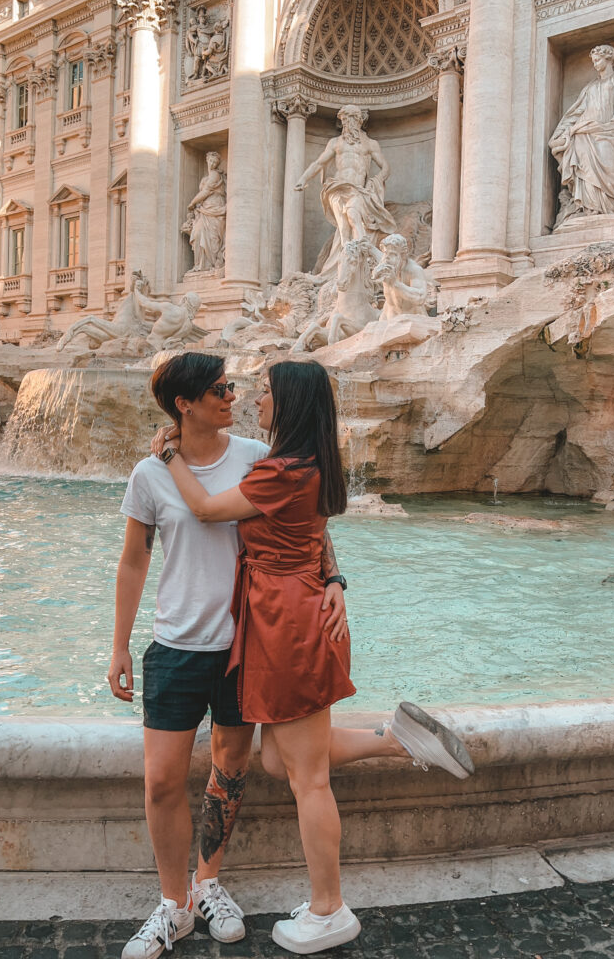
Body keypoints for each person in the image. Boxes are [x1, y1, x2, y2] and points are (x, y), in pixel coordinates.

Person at [158, 359, 475, 954]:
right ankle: (395, 736)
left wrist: (169, 455)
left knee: (308, 778)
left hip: (288, 626)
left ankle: (329, 909)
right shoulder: (314, 465)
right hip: (295, 614)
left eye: (267, 393)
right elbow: (314, 538)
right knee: (279, 760)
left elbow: (204, 508)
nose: (255, 401)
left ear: (293, 405)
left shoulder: (281, 470)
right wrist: (334, 579)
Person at [108, 352, 349, 959]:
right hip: (176, 643)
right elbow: (134, 560)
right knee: (162, 779)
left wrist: (337, 581)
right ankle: (173, 905)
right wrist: (118, 644)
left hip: (246, 643)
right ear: (183, 404)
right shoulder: (148, 474)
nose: (234, 395)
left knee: (231, 771)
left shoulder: (254, 456)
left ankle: (207, 883)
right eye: (220, 388)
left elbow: (311, 525)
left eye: (236, 386)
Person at [295, 105, 396, 279]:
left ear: (359, 121)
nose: (348, 124)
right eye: (345, 120)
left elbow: (385, 166)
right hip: (336, 187)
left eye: (352, 119)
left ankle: (365, 259)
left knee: (353, 215)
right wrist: (303, 179)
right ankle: (344, 265)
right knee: (343, 228)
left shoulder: (370, 144)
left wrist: (377, 180)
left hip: (357, 189)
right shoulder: (335, 143)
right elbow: (319, 163)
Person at [549, 43, 614, 228]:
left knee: (611, 168)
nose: (595, 64)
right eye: (593, 61)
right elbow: (575, 114)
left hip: (609, 133)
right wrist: (560, 134)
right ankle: (589, 209)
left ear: (608, 59)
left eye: (598, 60)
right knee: (585, 172)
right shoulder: (590, 88)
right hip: (584, 135)